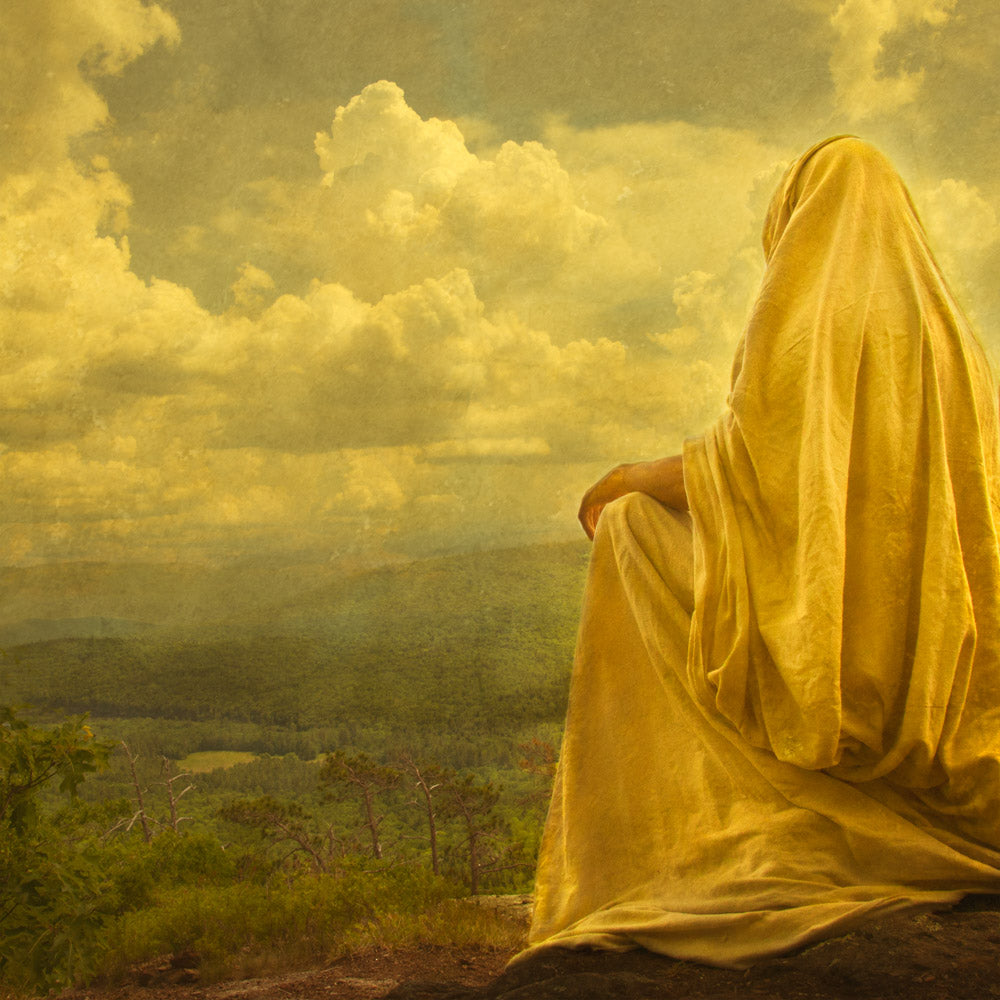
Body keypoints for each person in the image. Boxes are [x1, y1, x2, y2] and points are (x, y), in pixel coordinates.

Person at [521, 136, 1000, 969]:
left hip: (838, 680)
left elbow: (759, 466)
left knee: (633, 521)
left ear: (801, 214)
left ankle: (684, 830)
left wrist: (628, 476)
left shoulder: (810, 305)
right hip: (945, 697)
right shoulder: (949, 335)